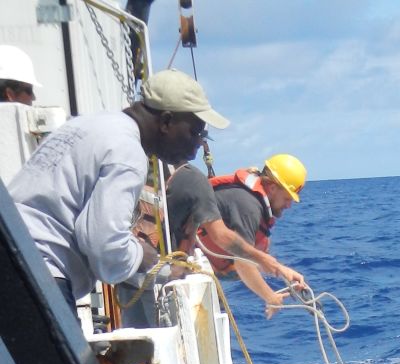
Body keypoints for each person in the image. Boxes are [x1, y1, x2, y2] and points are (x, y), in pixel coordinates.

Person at [8, 69, 227, 308]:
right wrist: (144, 257)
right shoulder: (127, 152)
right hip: (37, 274)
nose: (198, 144)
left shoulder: (89, 124)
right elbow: (104, 246)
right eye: (195, 132)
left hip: (12, 254)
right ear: (166, 121)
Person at [166, 162, 306, 311]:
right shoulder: (249, 207)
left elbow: (250, 256)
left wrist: (283, 271)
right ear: (272, 188)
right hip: (175, 257)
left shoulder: (250, 201)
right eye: (287, 198)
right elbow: (243, 263)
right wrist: (270, 297)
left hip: (188, 256)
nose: (289, 205)